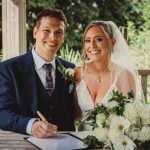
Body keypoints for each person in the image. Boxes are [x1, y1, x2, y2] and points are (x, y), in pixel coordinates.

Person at [0, 8, 75, 137]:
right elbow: (2, 113)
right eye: (46, 30)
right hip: (22, 144)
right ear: (35, 32)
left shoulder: (72, 69)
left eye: (59, 32)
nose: (52, 36)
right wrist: (31, 125)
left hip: (67, 144)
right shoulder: (8, 68)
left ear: (63, 38)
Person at [74, 20, 143, 130]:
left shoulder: (125, 76)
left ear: (112, 42)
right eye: (87, 41)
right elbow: (74, 115)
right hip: (80, 142)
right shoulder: (77, 73)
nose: (92, 45)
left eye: (99, 39)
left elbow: (128, 120)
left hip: (111, 142)